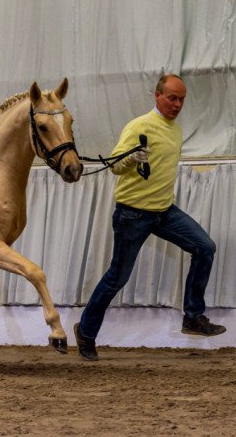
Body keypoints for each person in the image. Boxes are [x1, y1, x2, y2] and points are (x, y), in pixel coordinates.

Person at [74, 74, 225, 361]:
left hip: (164, 211)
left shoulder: (176, 130)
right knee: (117, 278)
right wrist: (131, 159)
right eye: (172, 98)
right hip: (132, 214)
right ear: (157, 96)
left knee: (205, 247)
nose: (177, 104)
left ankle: (193, 317)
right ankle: (86, 331)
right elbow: (114, 166)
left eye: (181, 99)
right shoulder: (139, 126)